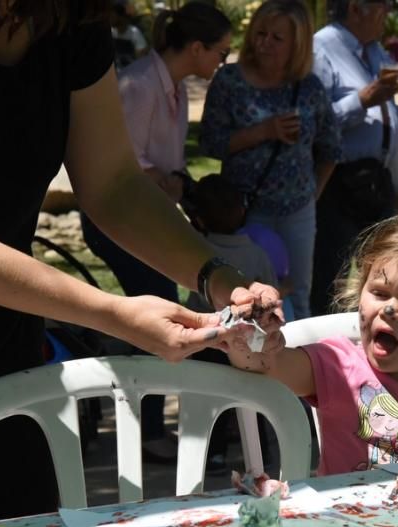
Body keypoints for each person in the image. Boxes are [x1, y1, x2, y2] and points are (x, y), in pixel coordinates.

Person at [0, 0, 280, 527]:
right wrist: (110, 312)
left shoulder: (70, 18)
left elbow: (115, 185)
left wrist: (218, 279)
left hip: (2, 355)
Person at [226, 215, 398, 475]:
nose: (389, 310)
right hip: (351, 524)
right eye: (379, 293)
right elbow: (265, 367)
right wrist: (249, 336)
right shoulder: (338, 366)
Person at [82, 1, 235, 455]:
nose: (222, 62)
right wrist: (168, 182)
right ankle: (144, 431)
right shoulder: (140, 86)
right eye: (220, 53)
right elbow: (119, 169)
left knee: (156, 313)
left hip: (150, 219)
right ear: (195, 47)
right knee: (154, 317)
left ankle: (146, 426)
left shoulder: (174, 87)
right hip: (122, 222)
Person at [201, 0, 341, 321]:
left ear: (297, 45)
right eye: (260, 33)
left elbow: (331, 149)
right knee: (249, 297)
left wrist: (311, 196)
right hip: (246, 213)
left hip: (298, 213)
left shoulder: (309, 88)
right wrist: (263, 131)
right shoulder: (230, 81)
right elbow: (210, 143)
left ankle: (301, 361)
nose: (264, 43)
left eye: (277, 38)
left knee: (299, 294)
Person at [309, 0, 398, 317]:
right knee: (329, 274)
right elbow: (313, 122)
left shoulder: (374, 49)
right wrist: (361, 100)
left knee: (383, 271)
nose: (388, 12)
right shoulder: (321, 49)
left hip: (376, 180)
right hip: (337, 180)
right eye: (382, 5)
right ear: (354, 8)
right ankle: (321, 350)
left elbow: (379, 108)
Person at [185, 174, 279, 312]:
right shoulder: (257, 255)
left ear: (199, 220)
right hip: (244, 325)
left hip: (199, 323)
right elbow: (271, 294)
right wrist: (288, 286)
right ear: (242, 212)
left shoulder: (194, 249)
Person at [111, 0, 149, 69]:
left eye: (112, 15)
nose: (109, 18)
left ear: (121, 16)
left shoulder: (134, 33)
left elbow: (142, 59)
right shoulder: (112, 32)